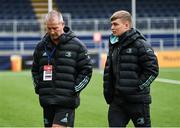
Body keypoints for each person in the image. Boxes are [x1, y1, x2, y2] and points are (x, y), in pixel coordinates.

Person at [31, 10, 92, 127]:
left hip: (66, 101)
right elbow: (34, 70)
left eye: (55, 28)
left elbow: (87, 70)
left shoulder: (77, 45)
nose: (52, 32)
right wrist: (38, 86)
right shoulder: (40, 46)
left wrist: (74, 89)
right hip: (47, 100)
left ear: (62, 25)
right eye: (49, 29)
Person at [103, 10, 159, 127]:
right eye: (111, 24)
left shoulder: (140, 44)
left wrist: (138, 87)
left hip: (137, 101)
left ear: (126, 25)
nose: (112, 28)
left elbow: (152, 70)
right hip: (117, 102)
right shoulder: (114, 44)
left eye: (115, 24)